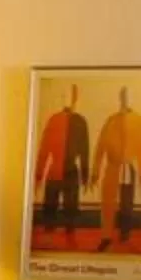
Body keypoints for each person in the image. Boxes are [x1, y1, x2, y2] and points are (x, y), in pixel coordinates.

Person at [35, 83, 89, 250]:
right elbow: (44, 148)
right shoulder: (55, 119)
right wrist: (38, 174)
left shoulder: (80, 121)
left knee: (71, 206)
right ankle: (49, 234)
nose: (67, 99)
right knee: (50, 204)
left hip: (71, 170)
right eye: (65, 96)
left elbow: (85, 150)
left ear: (75, 99)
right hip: (56, 170)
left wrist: (85, 174)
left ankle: (70, 237)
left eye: (70, 96)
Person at [93, 87, 141, 249]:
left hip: (129, 168)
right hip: (112, 167)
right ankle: (106, 235)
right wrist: (95, 171)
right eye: (124, 96)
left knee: (127, 204)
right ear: (120, 98)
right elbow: (100, 147)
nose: (126, 100)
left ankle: (125, 234)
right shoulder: (111, 120)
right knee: (108, 203)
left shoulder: (138, 121)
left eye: (129, 96)